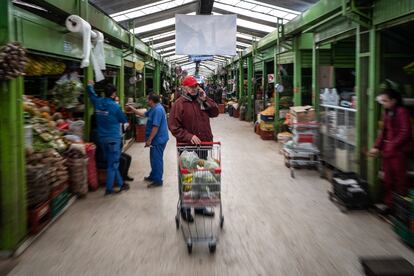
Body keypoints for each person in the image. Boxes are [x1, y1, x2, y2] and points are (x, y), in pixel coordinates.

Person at [168, 75, 219, 223]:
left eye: (196, 86)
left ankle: (199, 207)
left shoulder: (201, 100)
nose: (194, 88)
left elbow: (215, 112)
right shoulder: (179, 104)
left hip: (203, 145)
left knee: (201, 177)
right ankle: (185, 208)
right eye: (191, 86)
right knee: (187, 179)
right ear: (184, 88)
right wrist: (188, 136)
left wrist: (206, 99)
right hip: (187, 148)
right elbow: (174, 127)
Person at [369, 88, 412, 211]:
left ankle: (401, 209)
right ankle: (389, 205)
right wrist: (377, 146)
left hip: (398, 151)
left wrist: (391, 145)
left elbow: (405, 132)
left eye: (385, 101)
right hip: (388, 151)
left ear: (393, 101)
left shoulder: (402, 112)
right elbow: (384, 132)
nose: (383, 103)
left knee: (400, 180)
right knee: (388, 180)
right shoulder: (387, 112)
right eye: (382, 101)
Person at [87, 81, 130, 195]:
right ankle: (109, 189)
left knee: (112, 163)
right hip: (113, 140)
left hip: (102, 139)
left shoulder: (98, 102)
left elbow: (92, 95)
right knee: (112, 164)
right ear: (113, 94)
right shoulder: (115, 106)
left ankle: (121, 184)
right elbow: (123, 119)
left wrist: (90, 86)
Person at [128, 94, 169, 188]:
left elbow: (156, 127)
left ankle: (158, 180)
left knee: (157, 159)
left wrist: (149, 140)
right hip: (156, 139)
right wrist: (132, 109)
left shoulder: (158, 110)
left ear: (151, 101)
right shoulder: (154, 108)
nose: (147, 101)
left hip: (159, 139)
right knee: (153, 158)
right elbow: (143, 114)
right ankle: (153, 176)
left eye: (148, 100)